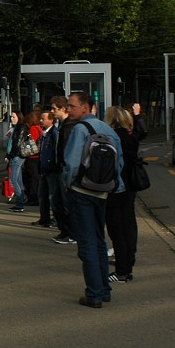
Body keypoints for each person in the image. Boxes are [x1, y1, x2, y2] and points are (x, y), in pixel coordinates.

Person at [62, 91, 125, 308]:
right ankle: (104, 289)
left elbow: (70, 164)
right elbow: (119, 164)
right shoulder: (109, 130)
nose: (68, 109)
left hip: (82, 192)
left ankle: (94, 295)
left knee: (87, 243)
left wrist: (68, 185)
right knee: (99, 241)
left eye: (71, 106)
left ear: (85, 107)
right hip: (103, 193)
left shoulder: (80, 130)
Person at [105, 106, 139, 283]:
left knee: (117, 230)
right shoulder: (129, 137)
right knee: (127, 228)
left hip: (117, 188)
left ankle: (122, 271)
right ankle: (126, 267)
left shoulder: (114, 138)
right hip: (129, 188)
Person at [48, 95, 75, 244]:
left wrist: (63, 166)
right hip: (60, 169)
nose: (52, 111)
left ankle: (70, 233)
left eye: (54, 109)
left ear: (63, 109)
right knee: (57, 202)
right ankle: (65, 231)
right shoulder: (63, 125)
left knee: (64, 203)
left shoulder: (68, 126)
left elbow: (67, 150)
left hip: (64, 170)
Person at [33, 109, 59, 229]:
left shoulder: (54, 133)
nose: (41, 120)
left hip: (50, 170)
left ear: (51, 120)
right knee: (42, 195)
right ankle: (44, 218)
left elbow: (55, 151)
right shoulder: (45, 133)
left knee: (52, 196)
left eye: (43, 119)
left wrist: (51, 164)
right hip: (43, 169)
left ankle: (56, 219)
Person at [5, 111, 29, 212]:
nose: (11, 119)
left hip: (17, 156)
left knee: (14, 180)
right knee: (18, 180)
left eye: (13, 117)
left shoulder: (20, 128)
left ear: (19, 117)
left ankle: (20, 203)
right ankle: (21, 201)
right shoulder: (17, 128)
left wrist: (9, 156)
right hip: (17, 156)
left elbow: (16, 144)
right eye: (11, 117)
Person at [22, 110, 43, 206]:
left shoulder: (33, 129)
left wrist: (23, 147)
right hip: (38, 157)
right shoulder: (39, 128)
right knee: (36, 178)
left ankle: (33, 198)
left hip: (32, 157)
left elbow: (30, 143)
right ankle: (35, 197)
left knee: (32, 179)